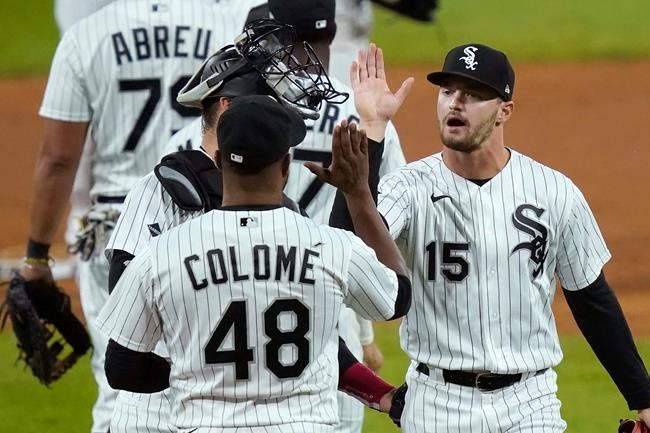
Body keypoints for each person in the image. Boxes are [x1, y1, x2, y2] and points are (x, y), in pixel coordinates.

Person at [326, 42, 650, 431]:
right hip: (436, 403)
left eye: (474, 94)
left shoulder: (554, 191)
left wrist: (642, 398)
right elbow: (343, 252)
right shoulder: (408, 188)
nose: (456, 103)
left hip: (530, 403)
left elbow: (591, 300)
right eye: (447, 92)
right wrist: (374, 130)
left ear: (504, 111)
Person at [104, 22, 400, 433]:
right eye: (275, 100)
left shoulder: (279, 208)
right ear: (228, 108)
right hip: (159, 418)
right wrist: (202, 373)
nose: (286, 109)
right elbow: (127, 329)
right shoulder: (160, 193)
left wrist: (379, 393)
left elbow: (307, 339)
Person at [20, 2, 274, 432]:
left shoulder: (87, 36)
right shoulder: (225, 24)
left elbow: (59, 160)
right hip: (214, 211)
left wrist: (37, 257)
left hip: (117, 230)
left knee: (119, 383)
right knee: (217, 371)